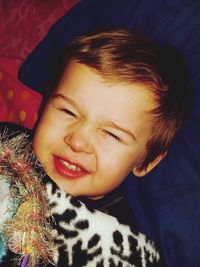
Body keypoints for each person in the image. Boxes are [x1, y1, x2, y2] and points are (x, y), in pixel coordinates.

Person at [0, 29, 188, 266]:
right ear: (44, 104)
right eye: (68, 112)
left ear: (146, 162)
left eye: (111, 134)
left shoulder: (120, 245)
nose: (77, 141)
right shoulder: (7, 143)